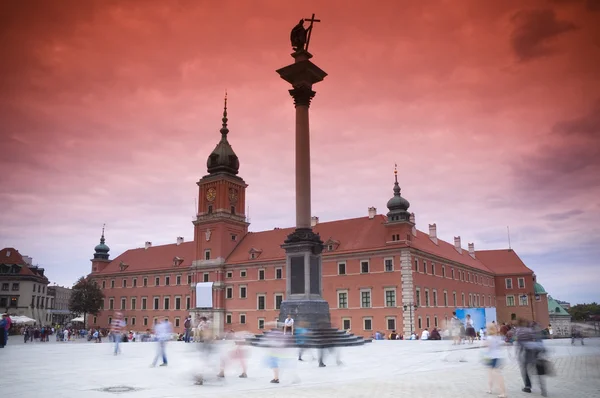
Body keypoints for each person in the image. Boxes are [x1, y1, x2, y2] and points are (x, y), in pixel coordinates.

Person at [516, 318, 547, 396]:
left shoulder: (519, 331)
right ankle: (543, 388)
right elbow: (537, 340)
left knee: (525, 370)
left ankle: (528, 387)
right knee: (538, 370)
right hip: (535, 353)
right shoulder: (530, 330)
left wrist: (518, 354)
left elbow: (519, 344)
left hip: (526, 353)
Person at [484, 323, 507, 397]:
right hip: (496, 357)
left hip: (492, 358)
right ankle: (490, 389)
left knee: (496, 375)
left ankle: (503, 393)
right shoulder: (497, 337)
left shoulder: (489, 338)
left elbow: (487, 346)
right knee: (491, 374)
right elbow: (502, 344)